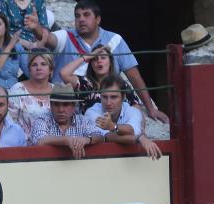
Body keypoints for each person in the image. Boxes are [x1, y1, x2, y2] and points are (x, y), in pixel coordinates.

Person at [24, 0, 169, 123]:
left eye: (86, 15)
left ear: (98, 19)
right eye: (77, 16)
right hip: (64, 110)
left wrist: (150, 109)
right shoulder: (65, 36)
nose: (81, 19)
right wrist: (36, 28)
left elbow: (134, 77)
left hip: (108, 109)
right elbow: (48, 38)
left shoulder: (115, 40)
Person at [85, 75, 160, 160]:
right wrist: (139, 138)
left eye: (114, 97)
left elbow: (132, 131)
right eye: (104, 97)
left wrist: (113, 127)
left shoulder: (133, 111)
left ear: (123, 97)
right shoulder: (91, 112)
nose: (108, 102)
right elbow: (107, 137)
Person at [59, 44, 138, 114]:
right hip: (90, 128)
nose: (99, 61)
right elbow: (64, 74)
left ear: (110, 62)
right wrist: (87, 57)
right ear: (91, 64)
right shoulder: (85, 84)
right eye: (94, 59)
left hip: (117, 128)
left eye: (103, 58)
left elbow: (135, 105)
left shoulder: (120, 83)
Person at [32, 83, 102, 159]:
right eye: (56, 104)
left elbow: (100, 137)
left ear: (73, 106)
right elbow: (39, 141)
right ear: (51, 106)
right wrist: (66, 140)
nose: (61, 110)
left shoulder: (83, 121)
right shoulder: (43, 120)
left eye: (65, 105)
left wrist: (87, 139)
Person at [7, 49, 53, 145]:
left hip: (53, 145)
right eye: (34, 65)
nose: (38, 68)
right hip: (22, 145)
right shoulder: (18, 89)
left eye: (43, 64)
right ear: (29, 70)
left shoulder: (57, 90)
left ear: (51, 69)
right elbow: (9, 122)